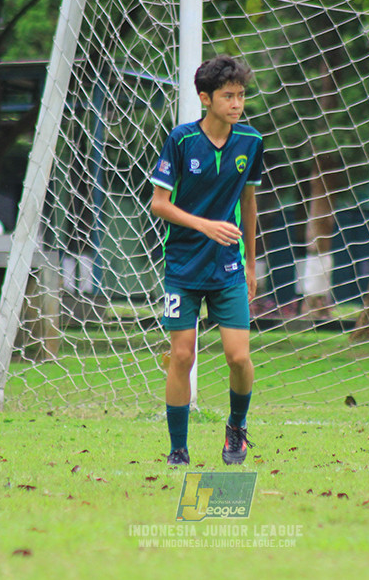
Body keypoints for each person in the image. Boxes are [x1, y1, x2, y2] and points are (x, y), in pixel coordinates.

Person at [149, 55, 263, 465]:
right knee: (181, 355)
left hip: (229, 266)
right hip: (182, 265)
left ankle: (236, 428)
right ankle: (178, 448)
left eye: (241, 96)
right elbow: (159, 204)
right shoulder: (181, 140)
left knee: (239, 357)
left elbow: (249, 202)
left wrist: (251, 263)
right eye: (228, 96)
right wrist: (204, 225)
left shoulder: (250, 142)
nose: (236, 104)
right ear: (205, 98)